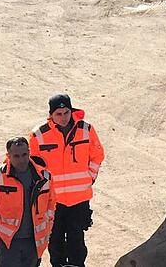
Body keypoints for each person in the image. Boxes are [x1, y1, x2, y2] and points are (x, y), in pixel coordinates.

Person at [29, 93, 105, 267]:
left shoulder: (86, 130)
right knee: (55, 241)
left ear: (71, 111)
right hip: (53, 200)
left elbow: (97, 155)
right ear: (51, 115)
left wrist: (90, 177)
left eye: (66, 113)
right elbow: (34, 166)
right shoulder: (38, 135)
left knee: (77, 241)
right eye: (58, 114)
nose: (63, 118)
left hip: (79, 199)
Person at [0, 137, 57, 267]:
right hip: (8, 243)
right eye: (16, 156)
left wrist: (46, 229)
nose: (21, 160)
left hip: (34, 242)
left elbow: (51, 204)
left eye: (24, 155)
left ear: (29, 152)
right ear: (8, 156)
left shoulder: (45, 177)